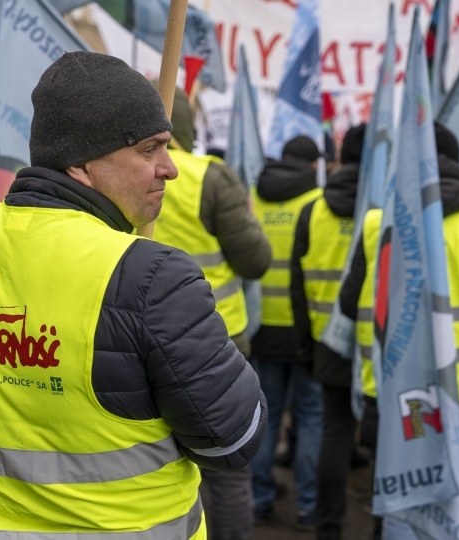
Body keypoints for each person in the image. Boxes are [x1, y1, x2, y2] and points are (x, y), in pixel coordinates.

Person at [0, 51, 266, 538]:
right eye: (150, 150)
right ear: (83, 163)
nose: (169, 169)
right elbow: (232, 440)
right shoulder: (151, 276)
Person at [340, 123, 459, 538]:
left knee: (398, 493)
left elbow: (348, 301)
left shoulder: (378, 223)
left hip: (394, 388)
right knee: (450, 500)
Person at [152, 87, 271, 539]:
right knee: (228, 470)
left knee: (162, 469)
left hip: (142, 344)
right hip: (221, 343)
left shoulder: (115, 175)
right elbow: (256, 260)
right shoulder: (211, 178)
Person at [290, 124, 365, 540]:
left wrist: (306, 343)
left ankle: (329, 526)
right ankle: (385, 527)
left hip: (327, 341)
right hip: (381, 344)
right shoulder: (388, 206)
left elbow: (297, 288)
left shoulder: (313, 210)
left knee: (334, 431)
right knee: (383, 434)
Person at [250, 134, 324, 530]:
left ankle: (260, 500)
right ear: (313, 165)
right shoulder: (316, 202)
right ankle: (308, 507)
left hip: (263, 326)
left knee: (267, 414)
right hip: (304, 328)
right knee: (311, 416)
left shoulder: (253, 194)